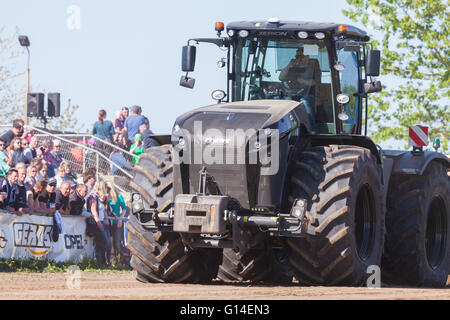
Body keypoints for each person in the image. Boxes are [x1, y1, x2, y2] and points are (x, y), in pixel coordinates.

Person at [279, 46, 321, 127]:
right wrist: (289, 64)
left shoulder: (313, 66)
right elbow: (281, 78)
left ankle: (312, 129)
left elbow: (316, 82)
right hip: (292, 94)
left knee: (304, 102)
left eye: (301, 56)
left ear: (307, 56)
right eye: (297, 56)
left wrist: (303, 81)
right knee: (280, 101)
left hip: (309, 95)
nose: (299, 59)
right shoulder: (293, 66)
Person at [87, 180, 112, 265]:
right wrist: (98, 222)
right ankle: (101, 262)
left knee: (105, 243)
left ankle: (103, 261)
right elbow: (93, 210)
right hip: (97, 223)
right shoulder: (93, 197)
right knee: (103, 242)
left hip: (102, 222)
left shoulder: (98, 197)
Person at [105, 181, 127, 259]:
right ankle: (109, 259)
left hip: (116, 222)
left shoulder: (118, 196)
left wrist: (120, 219)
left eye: (109, 189)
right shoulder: (104, 196)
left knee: (117, 243)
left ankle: (120, 260)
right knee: (108, 242)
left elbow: (124, 208)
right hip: (107, 222)